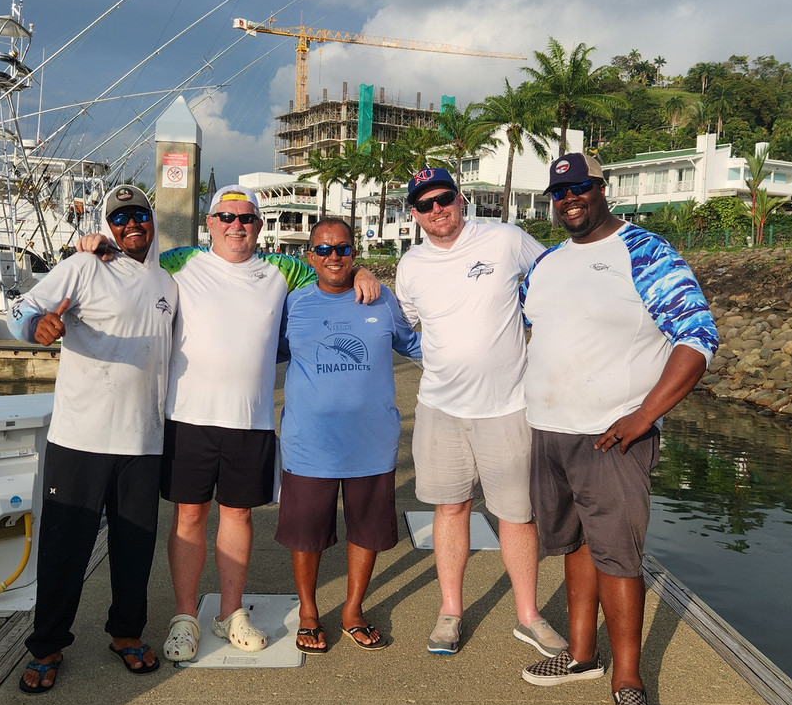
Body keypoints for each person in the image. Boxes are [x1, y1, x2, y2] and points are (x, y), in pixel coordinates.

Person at [77, 185, 378, 662]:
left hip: (250, 420)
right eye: (227, 217)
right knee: (189, 516)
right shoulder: (179, 261)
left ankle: (231, 612)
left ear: (259, 225)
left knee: (238, 516)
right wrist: (97, 247)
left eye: (247, 218)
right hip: (187, 417)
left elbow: (330, 269)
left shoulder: (282, 269)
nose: (237, 226)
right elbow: (131, 261)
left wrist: (360, 269)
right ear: (210, 223)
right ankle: (184, 616)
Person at [520, 153, 719, 705]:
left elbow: (697, 337)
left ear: (602, 188)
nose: (569, 199)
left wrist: (644, 415)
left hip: (613, 438)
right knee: (575, 544)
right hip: (549, 431)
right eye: (559, 192)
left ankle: (627, 677)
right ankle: (582, 655)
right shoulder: (547, 264)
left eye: (580, 187)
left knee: (618, 556)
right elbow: (535, 328)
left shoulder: (646, 252)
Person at [8, 185, 177, 694]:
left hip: (143, 441)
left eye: (140, 215)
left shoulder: (168, 281)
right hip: (80, 438)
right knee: (65, 548)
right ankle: (47, 645)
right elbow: (18, 310)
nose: (132, 224)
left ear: (152, 221)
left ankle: (126, 633)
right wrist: (36, 326)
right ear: (108, 225)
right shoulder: (85, 266)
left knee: (135, 549)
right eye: (120, 218)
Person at [394, 167, 567, 658]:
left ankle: (528, 615)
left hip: (508, 408)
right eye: (424, 204)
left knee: (516, 515)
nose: (436, 210)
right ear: (415, 213)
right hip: (439, 409)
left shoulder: (505, 239)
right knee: (450, 509)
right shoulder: (410, 265)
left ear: (460, 198)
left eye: (444, 198)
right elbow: (408, 327)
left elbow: (557, 281)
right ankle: (450, 610)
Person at [276, 218, 422, 653]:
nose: (334, 256)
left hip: (371, 443)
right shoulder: (294, 304)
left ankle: (353, 610)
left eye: (342, 249)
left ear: (354, 253)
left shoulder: (381, 298)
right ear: (310, 257)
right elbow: (259, 351)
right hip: (309, 444)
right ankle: (308, 612)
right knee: (306, 535)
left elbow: (415, 346)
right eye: (323, 250)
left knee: (367, 531)